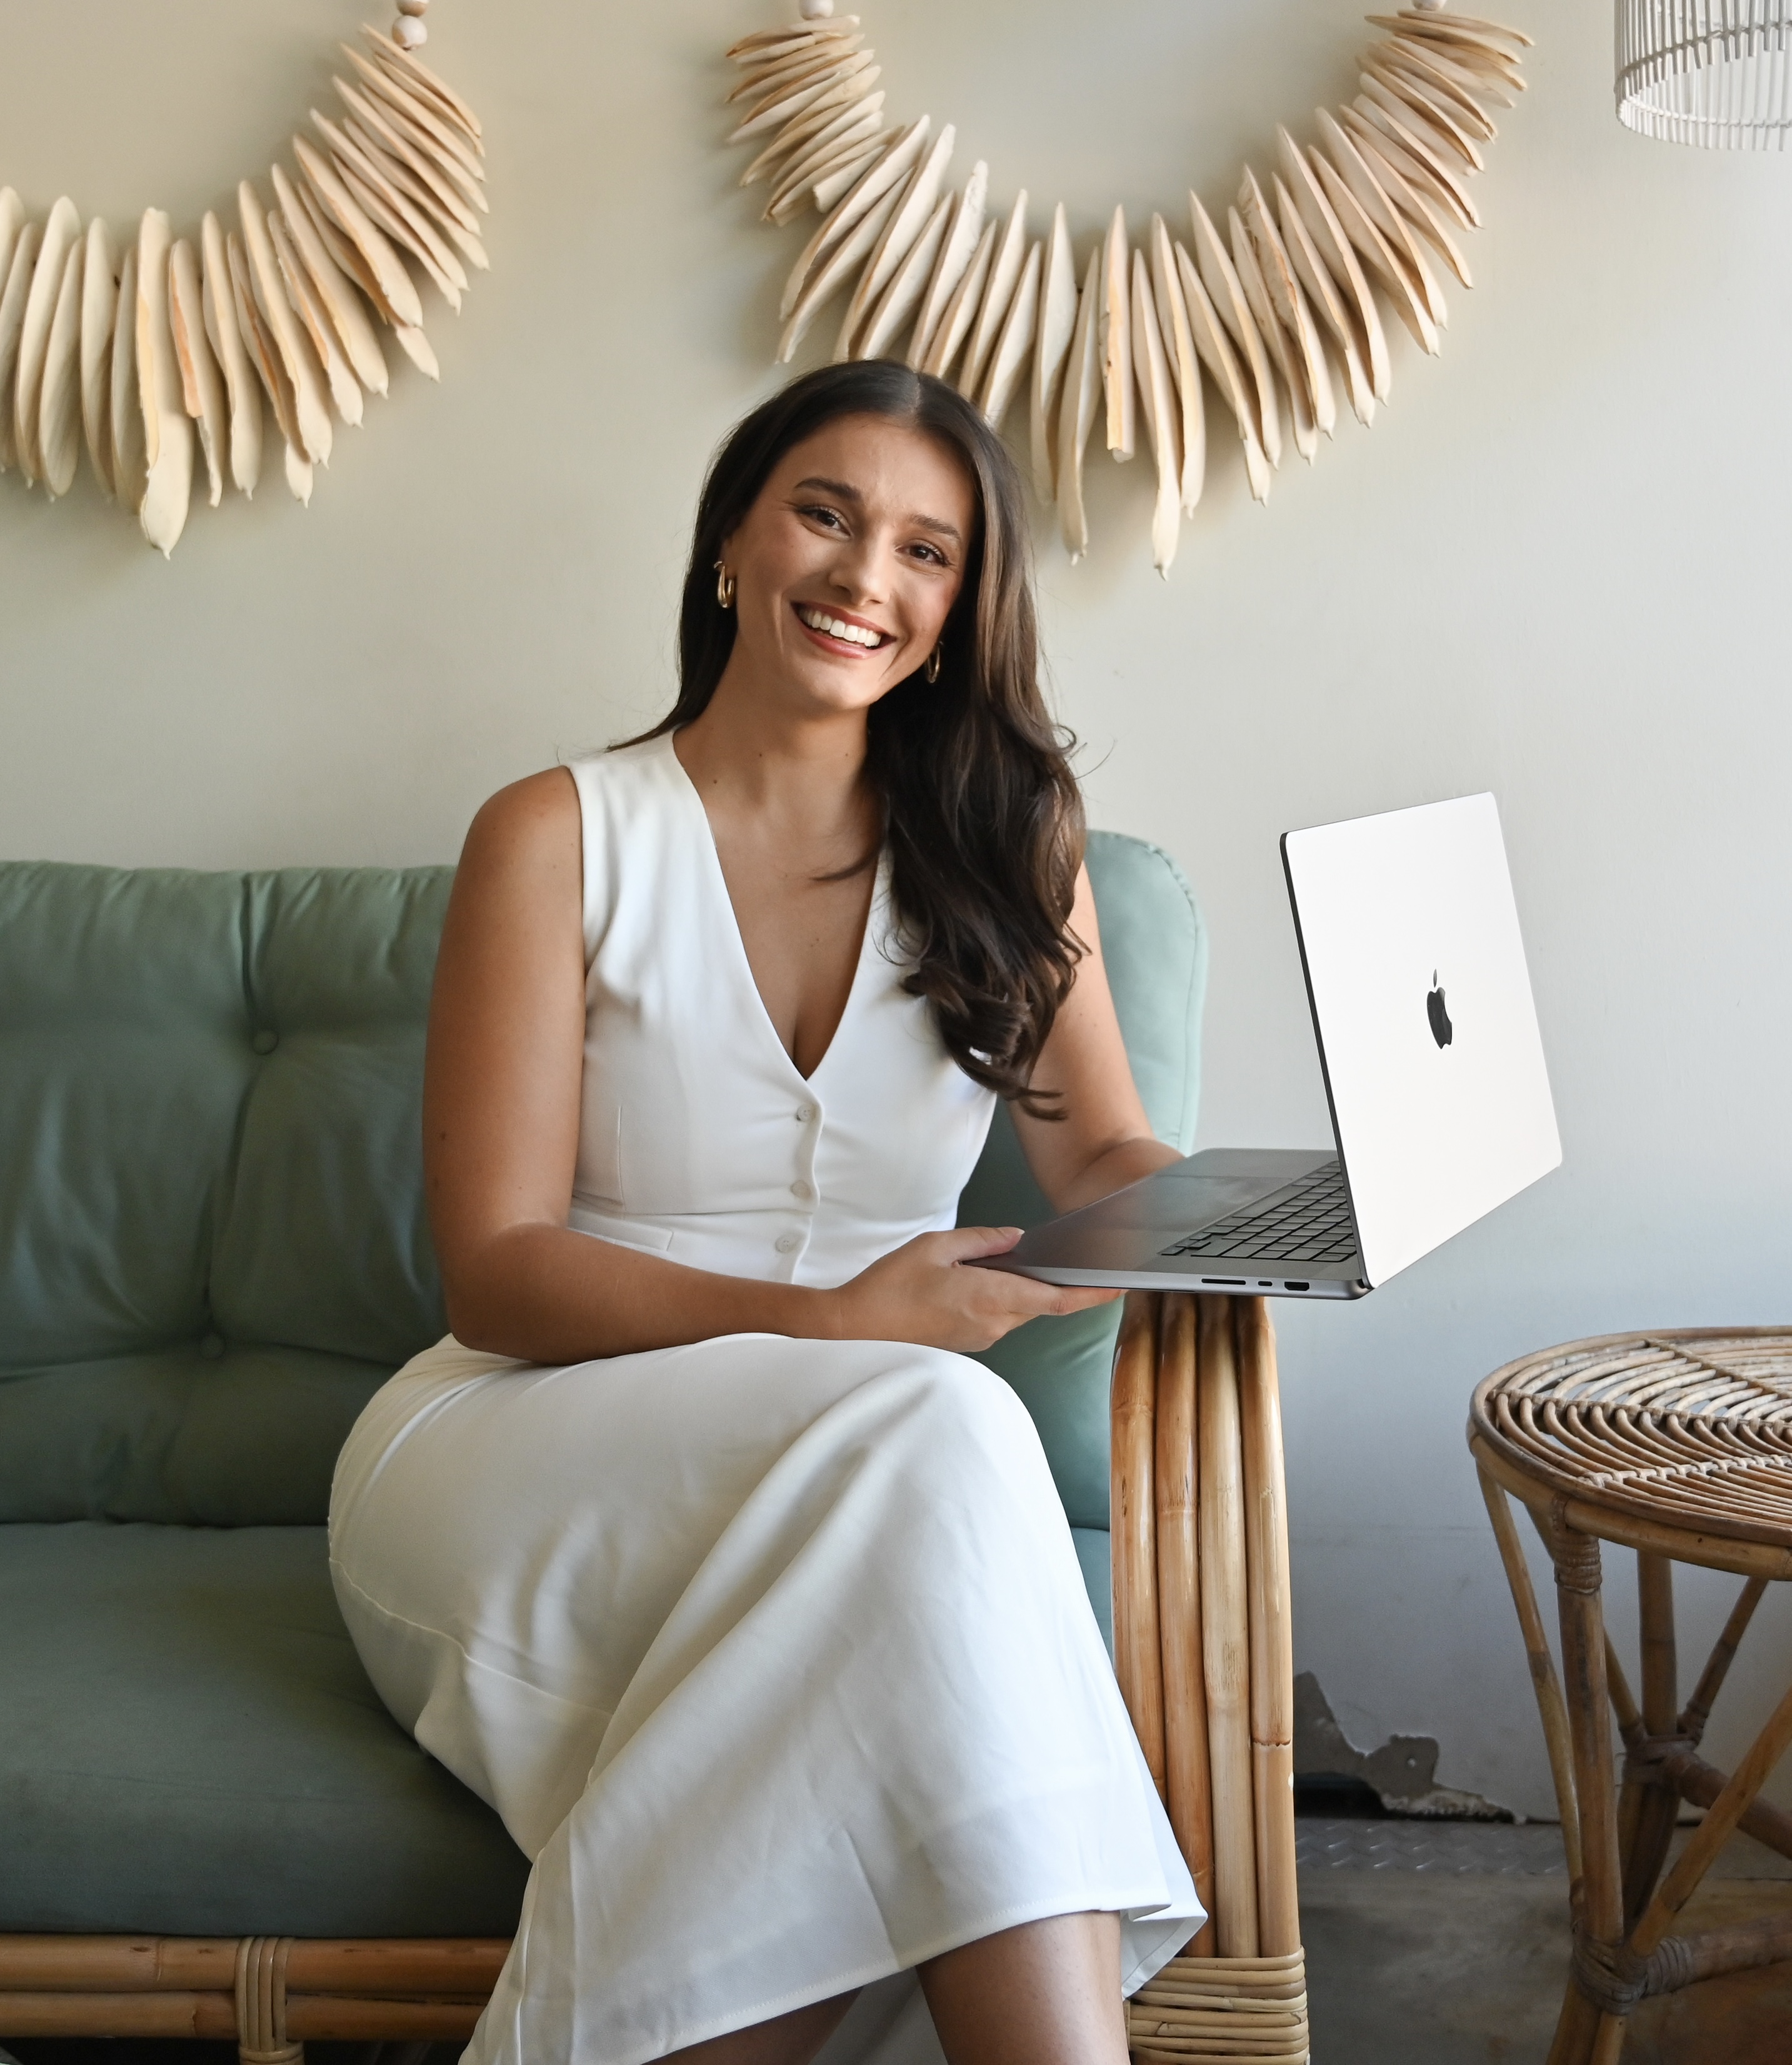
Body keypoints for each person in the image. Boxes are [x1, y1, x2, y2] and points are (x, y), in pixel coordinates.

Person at [328, 361, 1202, 2065]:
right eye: (825, 511)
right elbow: (496, 1274)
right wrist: (827, 1324)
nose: (865, 575)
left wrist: (1266, 1214)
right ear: (733, 538)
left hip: (866, 1471)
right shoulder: (556, 833)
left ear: (955, 615)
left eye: (925, 552)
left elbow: (1102, 1154)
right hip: (528, 1446)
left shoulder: (1009, 844)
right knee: (941, 1426)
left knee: (924, 1450)